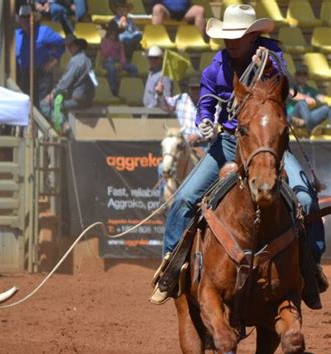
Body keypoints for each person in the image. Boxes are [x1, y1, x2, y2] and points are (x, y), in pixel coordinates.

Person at [149, 4, 327, 305]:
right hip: (231, 143)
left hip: (268, 145)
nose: (230, 42)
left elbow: (285, 82)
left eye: (237, 36)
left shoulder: (272, 57)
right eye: (227, 36)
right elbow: (206, 100)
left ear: (253, 36)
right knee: (182, 199)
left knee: (306, 199)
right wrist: (203, 121)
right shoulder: (216, 67)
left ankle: (309, 266)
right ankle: (171, 265)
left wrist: (270, 64)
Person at [0, 5, 65, 107]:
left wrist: (54, 60)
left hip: (41, 74)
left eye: (28, 18)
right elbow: (3, 47)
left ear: (33, 20)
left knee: (42, 104)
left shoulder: (44, 31)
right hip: (24, 74)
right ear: (20, 21)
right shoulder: (16, 34)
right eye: (23, 18)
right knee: (26, 102)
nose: (25, 21)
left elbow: (62, 43)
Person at [40, 35, 95, 133]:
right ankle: (62, 125)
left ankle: (61, 125)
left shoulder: (76, 62)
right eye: (67, 46)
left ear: (77, 46)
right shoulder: (87, 60)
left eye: (71, 46)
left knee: (45, 103)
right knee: (59, 98)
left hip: (77, 99)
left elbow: (65, 82)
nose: (68, 48)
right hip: (87, 98)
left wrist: (53, 94)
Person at [287, 65, 331, 131]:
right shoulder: (291, 86)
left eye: (304, 74)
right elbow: (292, 94)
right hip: (293, 116)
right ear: (295, 76)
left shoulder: (311, 90)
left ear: (308, 77)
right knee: (302, 103)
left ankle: (306, 124)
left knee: (327, 108)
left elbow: (321, 97)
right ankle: (308, 126)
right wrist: (305, 98)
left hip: (308, 118)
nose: (302, 76)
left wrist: (328, 100)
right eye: (299, 74)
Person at [100, 21, 138, 96]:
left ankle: (130, 86)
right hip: (107, 61)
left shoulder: (119, 43)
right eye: (111, 31)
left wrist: (122, 63)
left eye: (115, 31)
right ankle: (113, 89)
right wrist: (111, 43)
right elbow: (104, 54)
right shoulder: (104, 41)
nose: (113, 33)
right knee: (111, 69)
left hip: (118, 61)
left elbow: (122, 54)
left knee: (134, 68)